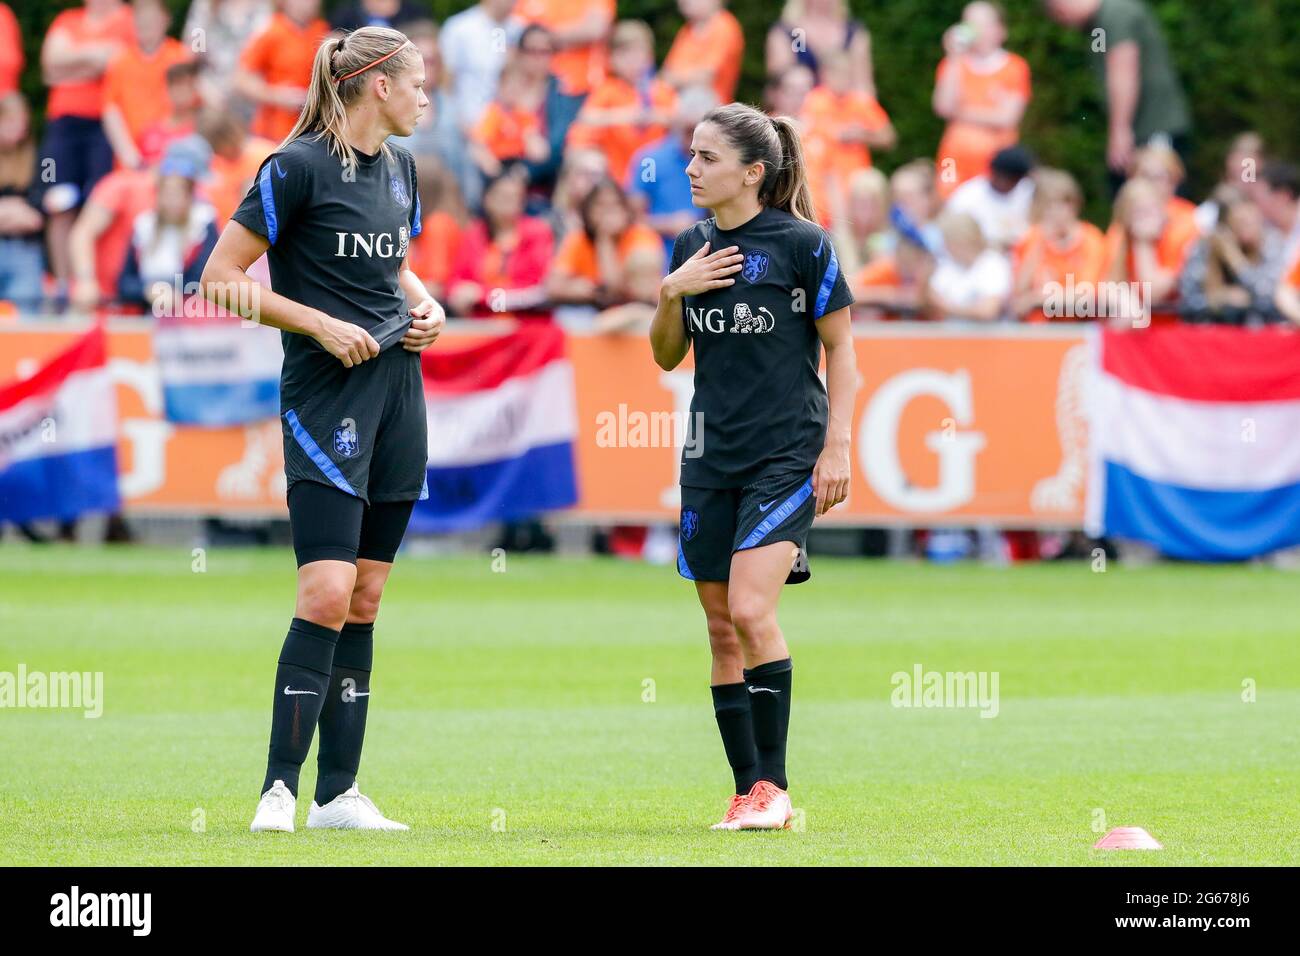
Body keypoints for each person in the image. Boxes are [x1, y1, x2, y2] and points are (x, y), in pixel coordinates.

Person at [200, 25, 446, 833]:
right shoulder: (294, 166)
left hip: (398, 395)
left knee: (367, 598)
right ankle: (278, 788)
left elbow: (391, 262)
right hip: (325, 398)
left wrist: (424, 298)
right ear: (379, 85)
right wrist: (319, 323)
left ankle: (339, 795)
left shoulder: (402, 168)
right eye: (418, 85)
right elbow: (219, 280)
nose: (425, 98)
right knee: (327, 590)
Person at [649, 103, 856, 830]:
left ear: (753, 172)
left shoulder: (805, 246)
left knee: (749, 609)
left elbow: (845, 355)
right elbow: (667, 354)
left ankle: (777, 788)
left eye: (707, 157)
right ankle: (748, 794)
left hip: (785, 452)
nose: (692, 169)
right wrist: (673, 291)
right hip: (710, 455)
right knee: (718, 626)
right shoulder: (688, 246)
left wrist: (837, 446)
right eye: (692, 155)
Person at [37, 0, 136, 303]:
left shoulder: (127, 18)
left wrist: (71, 63)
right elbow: (50, 66)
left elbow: (121, 63)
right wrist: (96, 58)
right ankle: (64, 285)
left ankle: (97, 285)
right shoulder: (68, 19)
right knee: (59, 200)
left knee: (99, 202)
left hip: (103, 125)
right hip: (63, 127)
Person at [1044, 0, 1191, 196]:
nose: (1063, 22)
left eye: (1058, 12)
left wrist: (1120, 129)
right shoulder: (1100, 21)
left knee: (1157, 194)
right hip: (1144, 126)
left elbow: (1123, 71)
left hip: (1154, 125)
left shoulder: (1115, 13)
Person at [933, 1, 1030, 200]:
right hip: (954, 161)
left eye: (982, 24)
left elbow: (1007, 118)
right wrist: (953, 56)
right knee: (949, 207)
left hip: (996, 164)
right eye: (969, 23)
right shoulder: (952, 64)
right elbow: (943, 107)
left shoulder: (1014, 66)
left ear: (1000, 30)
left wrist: (960, 113)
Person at [564, 20, 677, 185]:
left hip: (654, 176)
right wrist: (629, 116)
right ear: (612, 60)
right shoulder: (608, 90)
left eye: (639, 53)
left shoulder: (660, 91)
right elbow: (585, 120)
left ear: (649, 56)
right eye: (625, 54)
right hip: (615, 177)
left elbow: (680, 121)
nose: (633, 61)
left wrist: (657, 117)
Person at [548, 176, 663, 328]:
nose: (608, 213)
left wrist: (605, 239)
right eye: (600, 205)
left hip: (635, 309)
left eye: (614, 205)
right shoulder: (578, 239)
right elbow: (552, 286)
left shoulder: (642, 236)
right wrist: (576, 288)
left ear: (625, 209)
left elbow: (614, 291)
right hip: (589, 310)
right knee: (567, 318)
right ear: (588, 210)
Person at [117, 150, 219, 312]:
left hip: (191, 314)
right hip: (149, 312)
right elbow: (124, 283)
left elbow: (206, 279)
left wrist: (175, 293)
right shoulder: (144, 226)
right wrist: (147, 291)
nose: (172, 201)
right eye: (167, 194)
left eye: (179, 194)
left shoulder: (203, 223)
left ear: (190, 195)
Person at [446, 164, 553, 319]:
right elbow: (454, 283)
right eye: (502, 196)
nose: (508, 202)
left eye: (514, 197)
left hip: (526, 322)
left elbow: (536, 291)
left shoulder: (538, 232)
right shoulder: (474, 234)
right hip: (480, 324)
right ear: (487, 199)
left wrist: (482, 296)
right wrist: (459, 294)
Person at [626, 85, 715, 263]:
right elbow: (631, 217)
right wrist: (669, 224)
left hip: (707, 257)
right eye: (688, 130)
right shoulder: (650, 161)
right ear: (677, 123)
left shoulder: (719, 161)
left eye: (698, 131)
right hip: (657, 260)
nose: (692, 138)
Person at [101, 0, 192, 172]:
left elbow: (191, 105)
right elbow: (110, 110)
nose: (146, 25)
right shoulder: (120, 62)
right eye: (140, 20)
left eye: (152, 19)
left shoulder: (180, 56)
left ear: (165, 20)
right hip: (134, 160)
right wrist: (129, 154)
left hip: (173, 157)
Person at [1011, 167, 1107, 322]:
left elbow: (1086, 295)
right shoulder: (1032, 238)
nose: (1054, 212)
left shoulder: (1091, 239)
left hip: (1078, 329)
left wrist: (1036, 299)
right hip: (1037, 330)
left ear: (1075, 205)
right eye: (1047, 205)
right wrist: (1041, 243)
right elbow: (1019, 294)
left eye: (1062, 204)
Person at [1179, 187, 1284, 325]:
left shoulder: (1273, 244)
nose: (1248, 229)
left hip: (1260, 333)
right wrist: (1219, 297)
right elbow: (1186, 302)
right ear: (1225, 226)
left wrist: (1235, 260)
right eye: (1240, 223)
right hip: (1211, 332)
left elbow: (1271, 298)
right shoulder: (1205, 246)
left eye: (1251, 221)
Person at [236, 0, 330, 144]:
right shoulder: (271, 31)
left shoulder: (323, 31)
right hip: (274, 131)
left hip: (313, 129)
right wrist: (276, 96)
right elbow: (242, 79)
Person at [766, 0, 875, 96]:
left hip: (843, 111)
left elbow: (863, 85)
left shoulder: (852, 32)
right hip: (799, 112)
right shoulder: (792, 32)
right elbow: (779, 86)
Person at [0, 92, 45, 312]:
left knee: (28, 319)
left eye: (21, 121)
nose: (16, 127)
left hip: (25, 250)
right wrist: (16, 208)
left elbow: (42, 207)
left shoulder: (45, 160)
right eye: (9, 121)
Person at [944, 144, 1035, 250]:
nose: (1007, 183)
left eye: (1014, 180)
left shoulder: (1028, 191)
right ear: (994, 173)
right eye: (1005, 178)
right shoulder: (968, 196)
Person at [927, 211, 1011, 322]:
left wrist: (949, 308)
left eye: (948, 241)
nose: (945, 247)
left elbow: (988, 311)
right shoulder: (947, 265)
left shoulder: (993, 263)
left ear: (962, 240)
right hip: (950, 335)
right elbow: (931, 299)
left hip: (989, 337)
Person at [661, 0, 745, 105]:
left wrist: (676, 79)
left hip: (711, 109)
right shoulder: (687, 30)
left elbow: (706, 77)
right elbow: (665, 76)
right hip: (680, 101)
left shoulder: (724, 27)